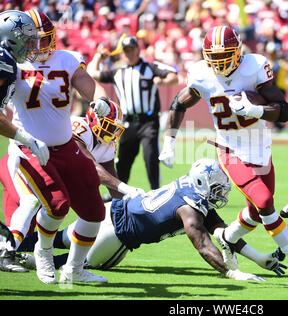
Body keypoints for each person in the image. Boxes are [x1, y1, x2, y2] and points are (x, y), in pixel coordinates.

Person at [158, 25, 288, 283]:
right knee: (265, 203)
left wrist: (257, 111)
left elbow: (283, 110)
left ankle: (227, 239)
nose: (219, 62)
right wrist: (169, 142)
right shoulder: (200, 73)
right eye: (214, 57)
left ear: (238, 51)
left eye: (225, 55)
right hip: (229, 148)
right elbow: (178, 103)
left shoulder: (255, 66)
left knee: (255, 213)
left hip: (260, 145)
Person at [18, 158, 287, 281]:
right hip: (119, 237)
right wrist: (231, 272)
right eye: (216, 189)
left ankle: (11, 246)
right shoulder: (190, 209)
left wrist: (259, 257)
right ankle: (24, 259)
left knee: (65, 237)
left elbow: (223, 234)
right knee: (76, 262)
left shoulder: (190, 190)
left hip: (116, 210)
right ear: (203, 183)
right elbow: (204, 244)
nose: (219, 195)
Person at [4, 8, 112, 284]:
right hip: (31, 147)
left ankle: (74, 269)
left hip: (65, 146)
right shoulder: (11, 63)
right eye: (33, 39)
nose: (38, 45)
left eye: (43, 38)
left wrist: (100, 101)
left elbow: (89, 86)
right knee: (57, 204)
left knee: (94, 211)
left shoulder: (66, 58)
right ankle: (43, 252)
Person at [0, 99, 146, 272]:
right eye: (108, 126)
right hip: (23, 165)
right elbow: (93, 167)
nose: (111, 132)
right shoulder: (78, 126)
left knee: (28, 235)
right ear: (93, 119)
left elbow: (110, 177)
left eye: (114, 128)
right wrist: (127, 188)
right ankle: (9, 253)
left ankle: (67, 266)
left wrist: (131, 210)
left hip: (48, 176)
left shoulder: (107, 143)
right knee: (26, 211)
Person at [87, 35, 179, 194]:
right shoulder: (118, 72)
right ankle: (117, 194)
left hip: (148, 121)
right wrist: (98, 56)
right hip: (127, 122)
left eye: (132, 49)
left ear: (138, 50)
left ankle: (156, 192)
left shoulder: (149, 67)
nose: (129, 53)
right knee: (122, 160)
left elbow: (173, 76)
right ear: (122, 53)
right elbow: (92, 73)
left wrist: (163, 82)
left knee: (150, 157)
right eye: (126, 50)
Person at [0, 10, 48, 273]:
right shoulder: (4, 61)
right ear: (11, 37)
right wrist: (26, 138)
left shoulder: (8, 61)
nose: (31, 46)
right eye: (27, 40)